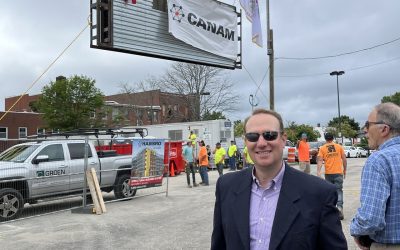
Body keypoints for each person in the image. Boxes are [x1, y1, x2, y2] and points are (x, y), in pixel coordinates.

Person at [211, 108, 347, 250]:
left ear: (283, 139)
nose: (262, 143)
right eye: (253, 136)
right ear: (245, 141)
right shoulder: (226, 186)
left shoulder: (319, 193)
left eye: (269, 135)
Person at [350, 102, 400, 250]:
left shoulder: (379, 160)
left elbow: (371, 219)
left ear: (384, 129)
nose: (365, 131)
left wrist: (355, 231)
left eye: (368, 125)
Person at [317, 132, 347, 220]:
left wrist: (318, 172)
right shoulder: (339, 147)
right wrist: (344, 170)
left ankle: (331, 210)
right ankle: (340, 207)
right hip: (338, 172)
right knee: (339, 190)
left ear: (325, 139)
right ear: (333, 138)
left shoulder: (322, 148)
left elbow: (319, 160)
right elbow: (344, 159)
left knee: (330, 191)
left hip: (328, 173)